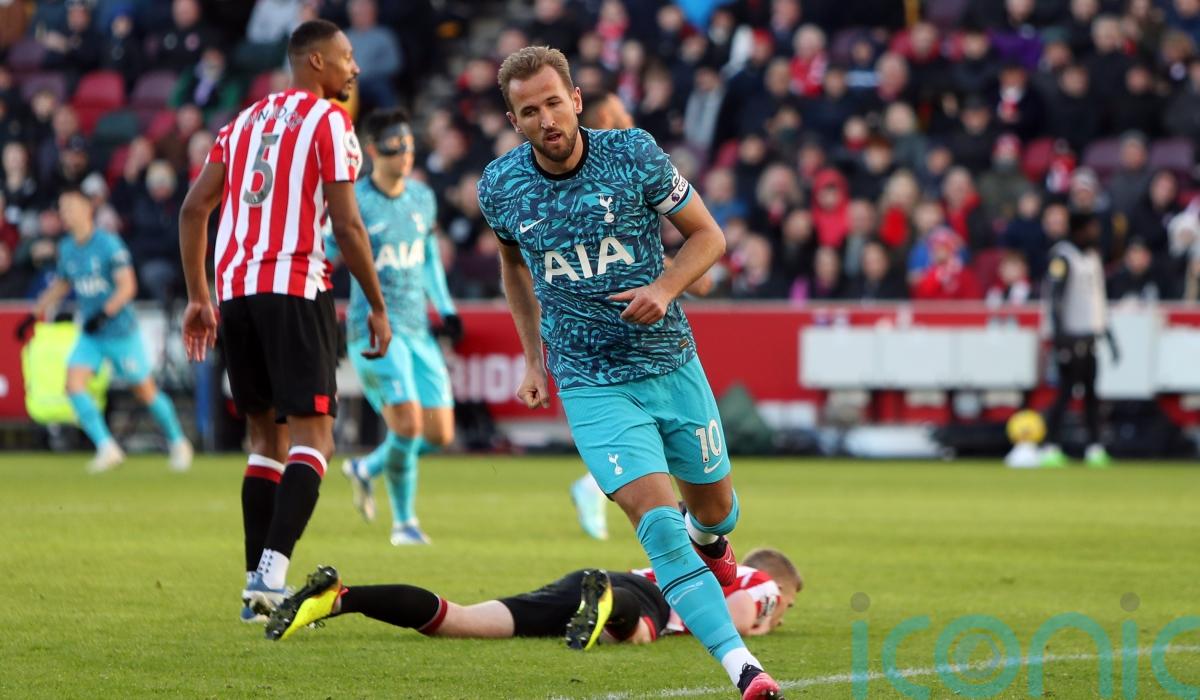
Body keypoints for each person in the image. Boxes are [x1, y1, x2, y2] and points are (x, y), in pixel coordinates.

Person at [476, 47, 784, 699]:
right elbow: (514, 268)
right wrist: (533, 359)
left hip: (671, 363)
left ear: (575, 101)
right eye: (529, 112)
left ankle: (713, 544)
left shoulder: (633, 154)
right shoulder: (500, 186)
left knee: (715, 511)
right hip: (590, 380)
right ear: (513, 120)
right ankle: (743, 668)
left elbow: (709, 236)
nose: (545, 120)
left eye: (553, 103)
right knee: (659, 524)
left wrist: (665, 288)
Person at [177, 19, 392, 622]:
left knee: (265, 441)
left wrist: (199, 297)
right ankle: (272, 571)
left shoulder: (241, 122)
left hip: (236, 293)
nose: (354, 67)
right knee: (314, 438)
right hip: (295, 285)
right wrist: (377, 304)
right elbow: (346, 225)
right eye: (346, 56)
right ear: (316, 62)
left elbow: (194, 209)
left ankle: (256, 585)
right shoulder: (330, 121)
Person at [569, 90, 713, 541]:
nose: (628, 119)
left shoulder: (634, 164)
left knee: (707, 496)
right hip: (605, 344)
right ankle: (595, 488)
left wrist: (663, 276)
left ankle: (595, 486)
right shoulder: (571, 190)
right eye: (618, 113)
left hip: (658, 330)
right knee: (649, 451)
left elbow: (701, 256)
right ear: (597, 117)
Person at [330, 108, 460, 546]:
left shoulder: (422, 197)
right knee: (407, 426)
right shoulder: (354, 202)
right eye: (394, 147)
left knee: (439, 433)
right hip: (374, 331)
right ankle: (404, 524)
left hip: (417, 329)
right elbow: (326, 255)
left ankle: (366, 468)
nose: (404, 155)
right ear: (372, 151)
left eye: (408, 146)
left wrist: (446, 309)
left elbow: (428, 259)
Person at [266, 547, 802, 649]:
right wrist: (761, 624)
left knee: (460, 620)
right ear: (780, 586)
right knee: (641, 632)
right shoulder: (762, 583)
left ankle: (341, 598)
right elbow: (735, 620)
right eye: (788, 606)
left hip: (590, 577)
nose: (782, 615)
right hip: (642, 596)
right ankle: (608, 605)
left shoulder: (721, 566)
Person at [14, 188, 192, 473]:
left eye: (71, 206)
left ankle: (179, 442)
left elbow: (127, 286)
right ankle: (107, 447)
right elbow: (62, 284)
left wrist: (105, 313)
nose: (66, 213)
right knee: (73, 384)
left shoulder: (108, 244)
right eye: (62, 208)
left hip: (121, 332)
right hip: (91, 334)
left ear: (88, 209)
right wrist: (33, 314)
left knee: (144, 391)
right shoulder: (67, 248)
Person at [1040, 212, 1119, 469]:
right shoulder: (1063, 256)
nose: (1095, 233)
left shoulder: (1092, 257)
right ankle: (1051, 445)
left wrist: (1108, 334)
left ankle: (1094, 446)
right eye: (1091, 228)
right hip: (1070, 336)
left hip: (1090, 334)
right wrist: (1059, 335)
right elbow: (1056, 298)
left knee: (1092, 395)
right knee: (1064, 394)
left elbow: (1098, 299)